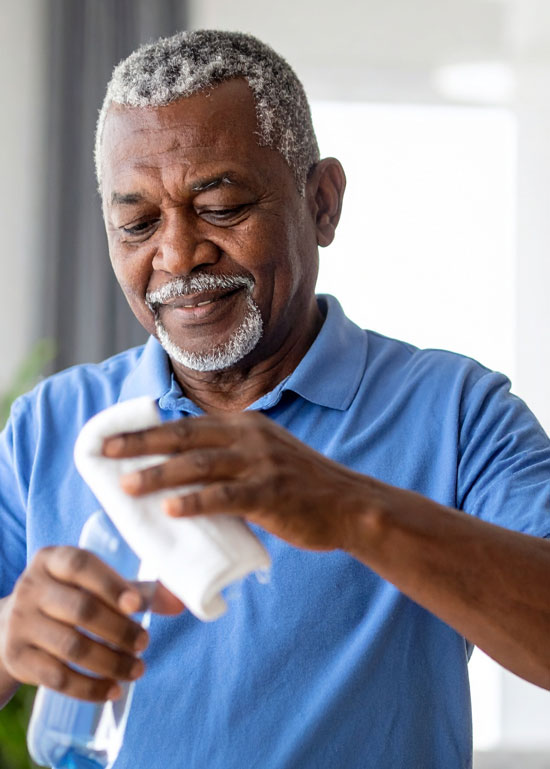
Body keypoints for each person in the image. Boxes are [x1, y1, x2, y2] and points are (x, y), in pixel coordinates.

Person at [0, 29, 549, 769]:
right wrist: (11, 634)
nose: (177, 254)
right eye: (136, 222)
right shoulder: (50, 425)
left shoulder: (457, 412)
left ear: (322, 204)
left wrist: (351, 507)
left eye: (221, 205)